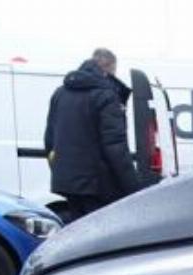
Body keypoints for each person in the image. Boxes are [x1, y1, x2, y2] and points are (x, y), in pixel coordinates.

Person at [44, 48, 141, 221]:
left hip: (67, 182)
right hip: (97, 185)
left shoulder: (60, 93)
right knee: (102, 231)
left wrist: (61, 170)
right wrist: (133, 187)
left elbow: (49, 139)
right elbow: (115, 146)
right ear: (109, 70)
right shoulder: (106, 96)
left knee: (78, 229)